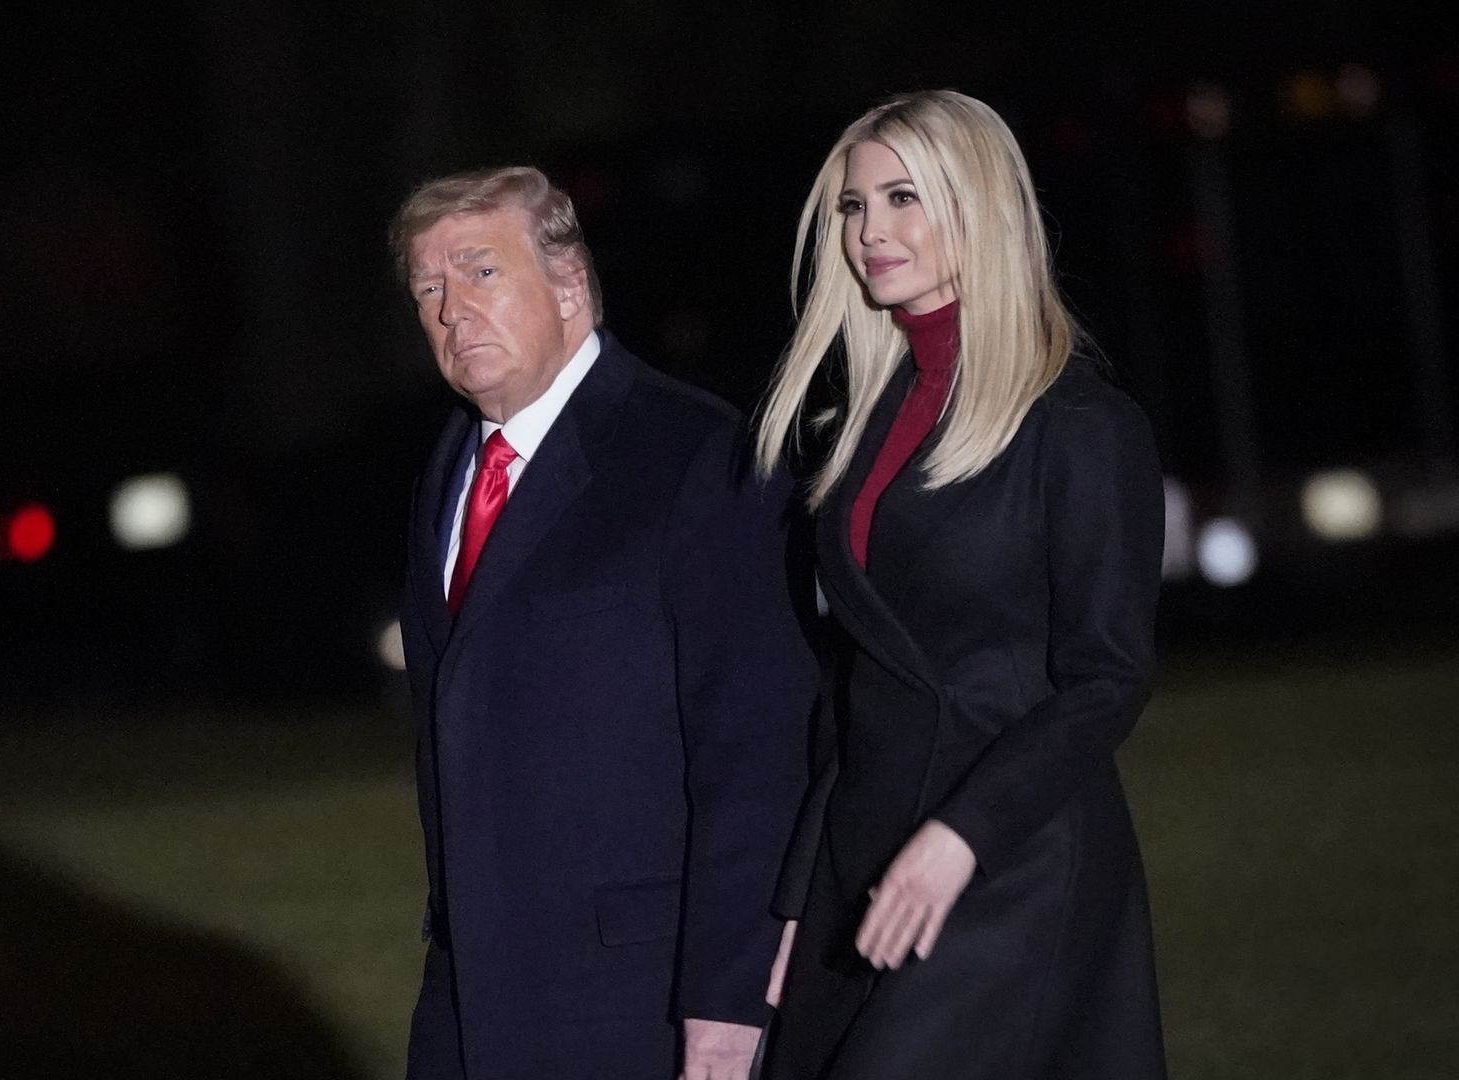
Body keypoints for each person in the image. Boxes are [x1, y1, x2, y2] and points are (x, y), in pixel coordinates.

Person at [752, 90, 1168, 1079]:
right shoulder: (856, 426)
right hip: (865, 865)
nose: (870, 233)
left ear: (978, 206)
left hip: (1011, 858)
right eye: (854, 208)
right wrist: (798, 899)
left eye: (904, 199)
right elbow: (848, 694)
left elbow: (1107, 677)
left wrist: (959, 837)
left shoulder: (1080, 427)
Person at [390, 166, 817, 1080]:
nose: (451, 310)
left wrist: (729, 998)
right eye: (428, 287)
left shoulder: (694, 455)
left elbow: (758, 745)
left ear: (571, 286)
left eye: (480, 272)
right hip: (470, 1002)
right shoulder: (448, 471)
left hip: (640, 1004)